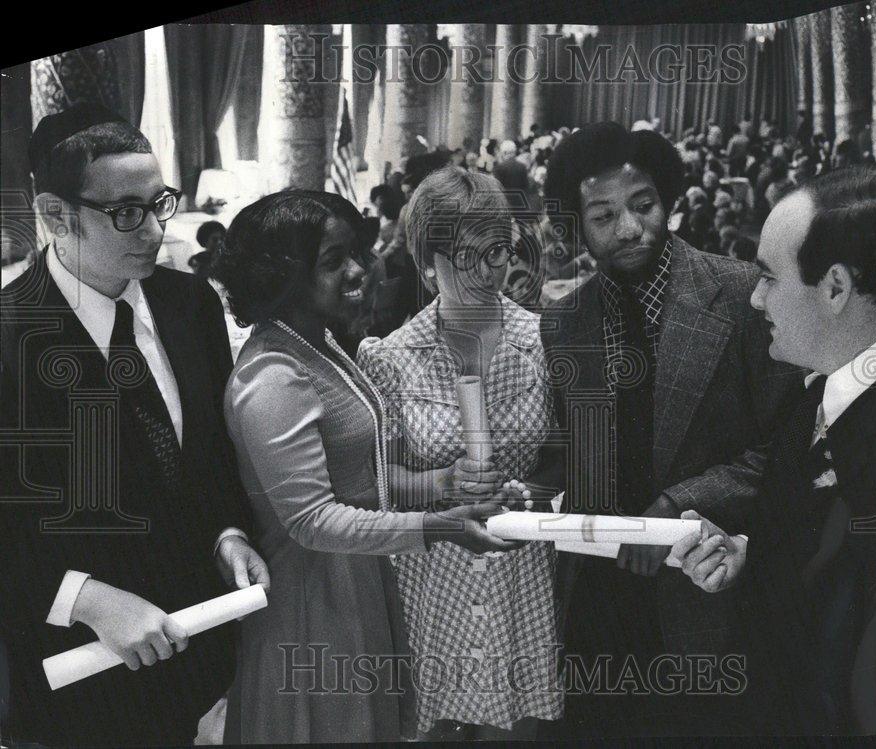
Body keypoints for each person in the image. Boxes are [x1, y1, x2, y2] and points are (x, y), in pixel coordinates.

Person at [673, 166, 876, 734]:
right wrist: (756, 560)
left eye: (769, 277)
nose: (754, 298)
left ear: (835, 287)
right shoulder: (835, 375)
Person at [211, 190, 522, 744]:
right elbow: (313, 521)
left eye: (357, 252)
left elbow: (360, 482)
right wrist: (443, 526)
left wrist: (443, 484)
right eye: (333, 263)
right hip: (312, 594)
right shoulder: (272, 376)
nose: (359, 270)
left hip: (356, 572)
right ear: (281, 277)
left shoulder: (318, 342)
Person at [0, 103, 266, 747]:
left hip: (195, 642)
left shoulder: (190, 303)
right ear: (55, 217)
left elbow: (208, 455)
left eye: (159, 203)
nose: (152, 230)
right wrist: (86, 598)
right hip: (76, 663)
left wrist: (228, 532)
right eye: (125, 212)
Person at [538, 121, 799, 739]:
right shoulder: (565, 319)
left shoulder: (740, 296)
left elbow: (782, 445)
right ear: (578, 227)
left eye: (643, 205)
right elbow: (568, 454)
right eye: (603, 216)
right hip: (597, 600)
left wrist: (674, 508)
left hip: (705, 584)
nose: (629, 228)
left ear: (669, 201)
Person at [357, 166, 562, 740]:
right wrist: (443, 481)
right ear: (426, 264)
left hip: (518, 567)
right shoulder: (391, 358)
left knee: (514, 729)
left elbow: (559, 458)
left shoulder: (541, 341)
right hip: (432, 571)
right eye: (463, 255)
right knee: (435, 728)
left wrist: (532, 493)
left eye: (496, 250)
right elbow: (379, 479)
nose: (486, 270)